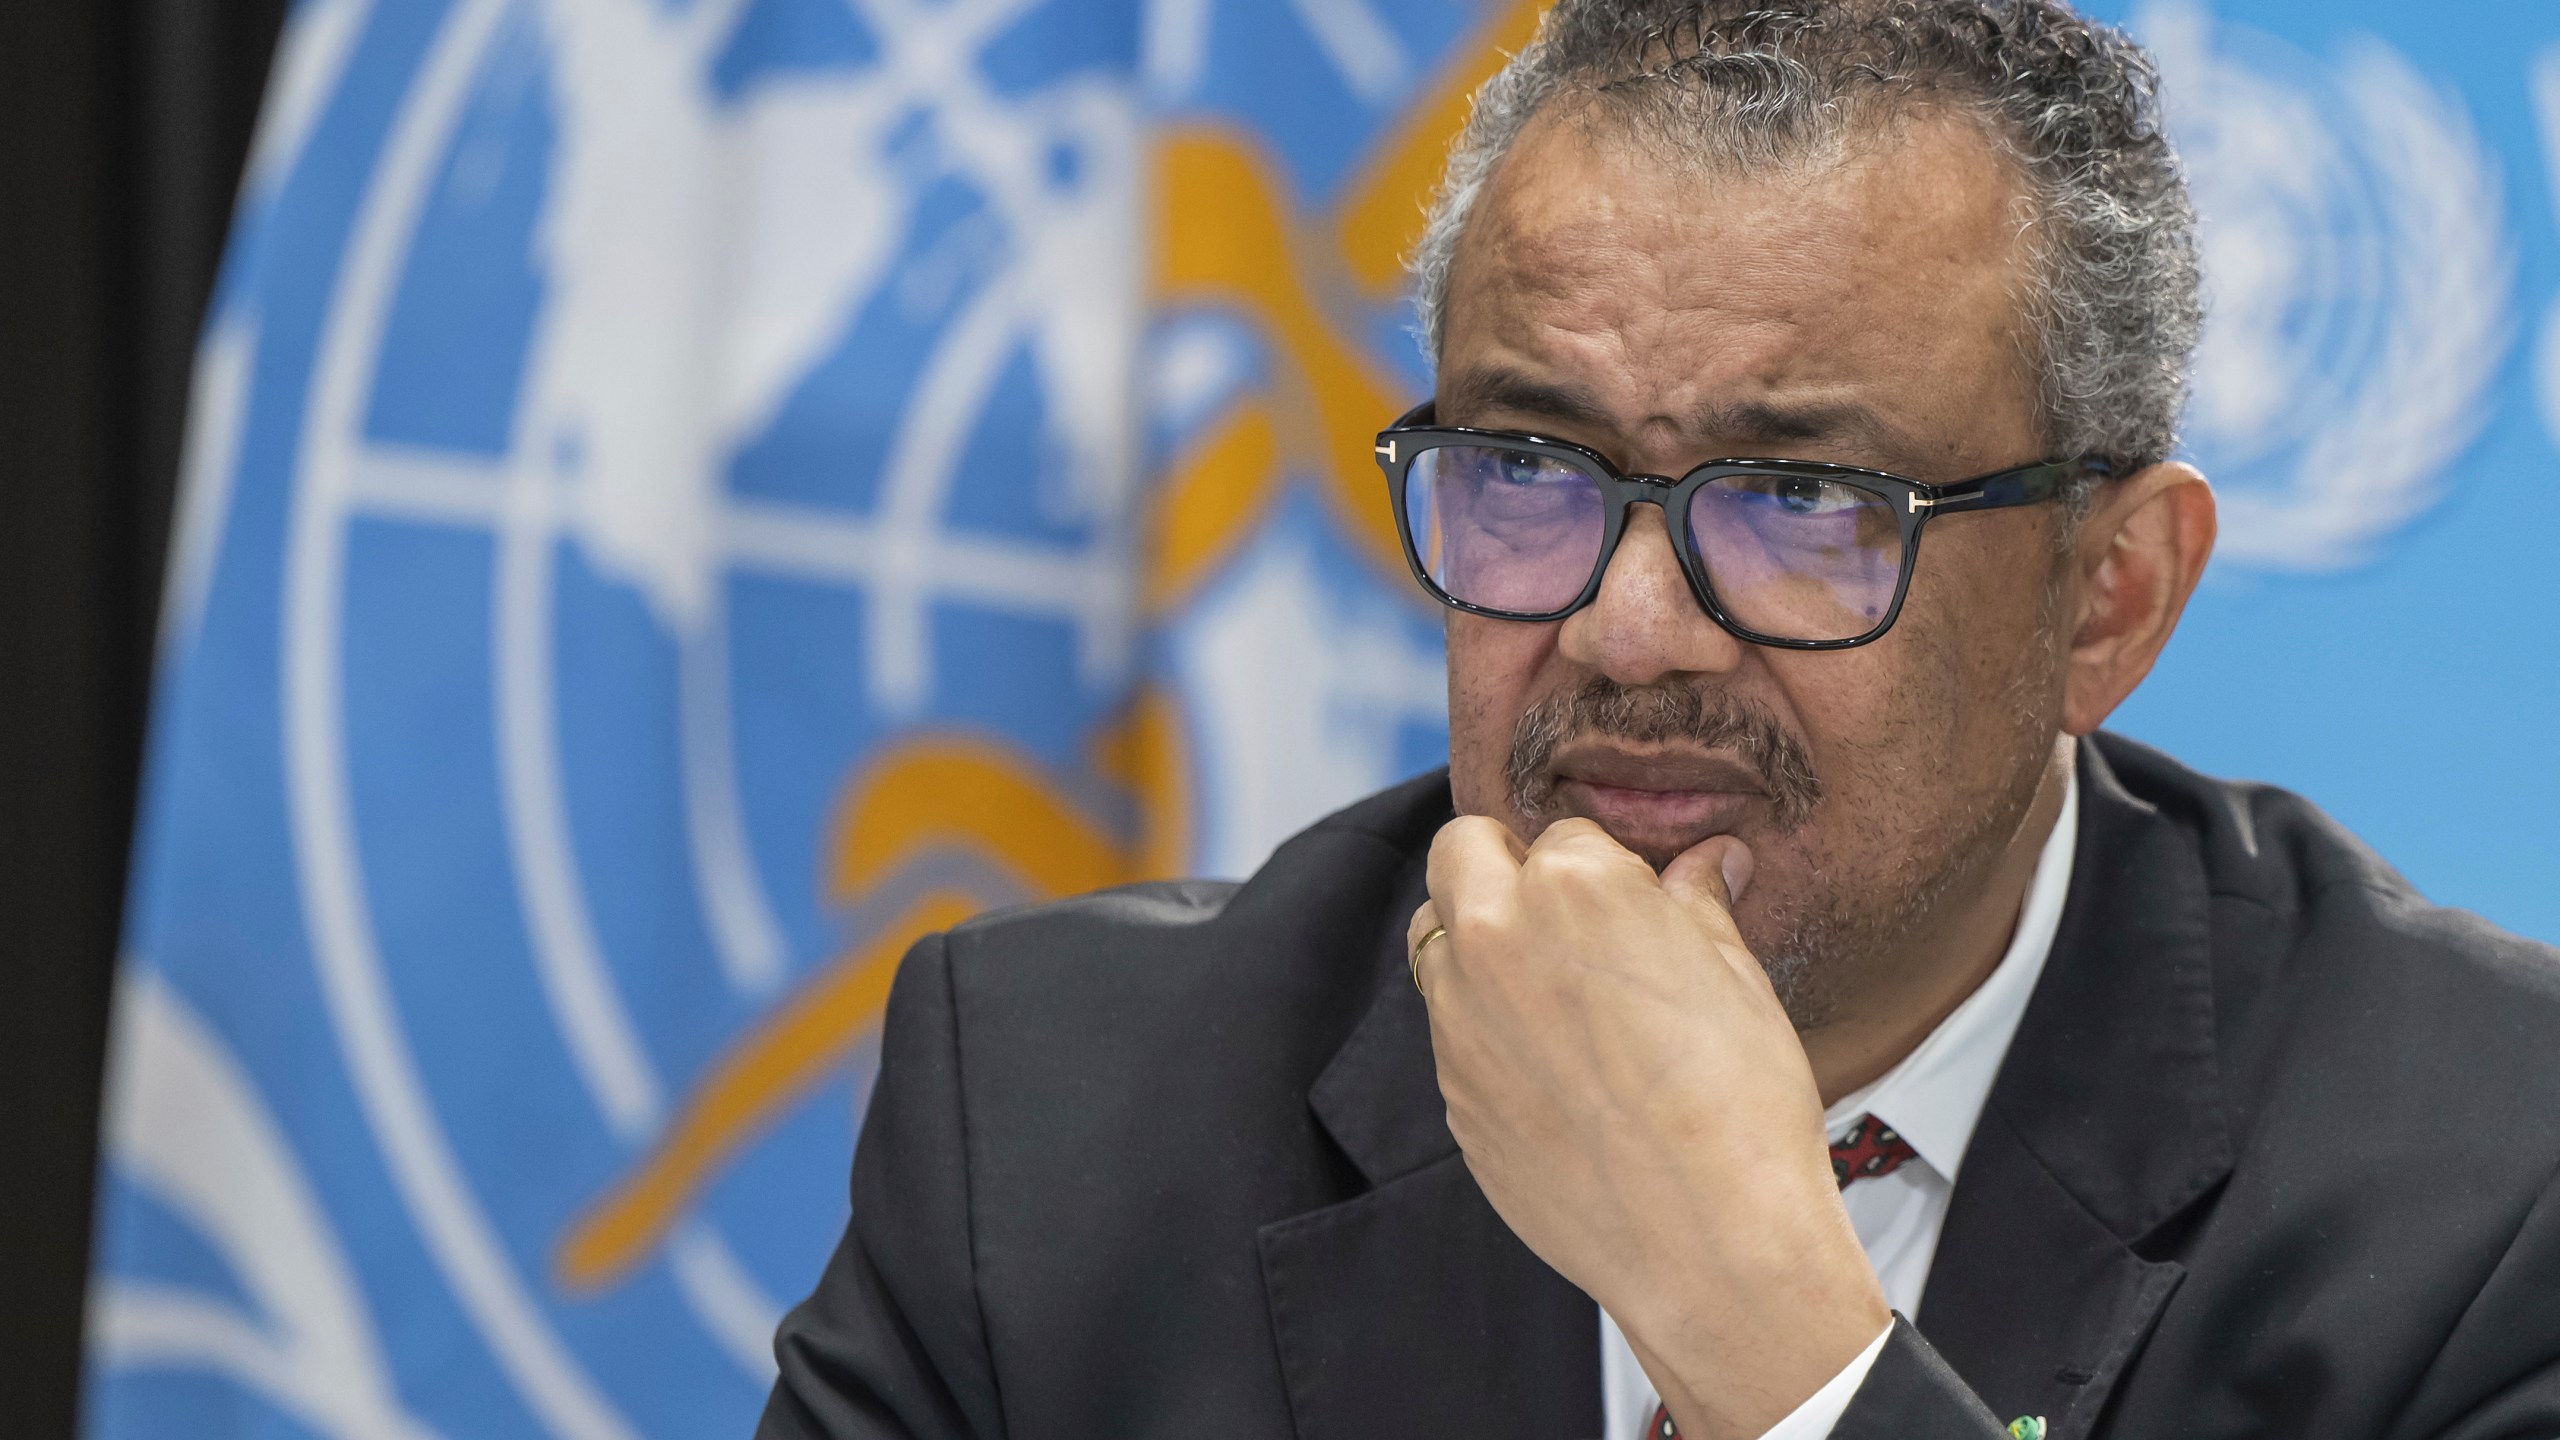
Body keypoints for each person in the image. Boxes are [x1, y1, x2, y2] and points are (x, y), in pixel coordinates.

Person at [757, 2, 2560, 1436]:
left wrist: (1771, 1341)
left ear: (2112, 597)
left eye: (1801, 503)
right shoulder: (1053, 1124)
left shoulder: (2492, 1195)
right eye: (1530, 470)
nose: (1626, 630)